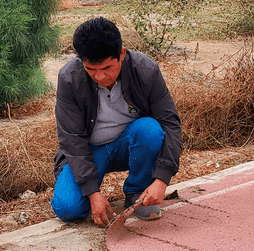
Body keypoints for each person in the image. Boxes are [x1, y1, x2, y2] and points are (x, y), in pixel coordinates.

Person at [50, 17, 181, 228]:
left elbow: (171, 124)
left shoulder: (145, 70)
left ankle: (137, 191)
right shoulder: (69, 78)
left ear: (121, 53)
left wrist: (162, 180)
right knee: (69, 208)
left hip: (129, 144)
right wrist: (93, 193)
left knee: (150, 130)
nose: (100, 77)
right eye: (91, 69)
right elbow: (71, 139)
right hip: (89, 151)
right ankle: (86, 192)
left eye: (107, 67)